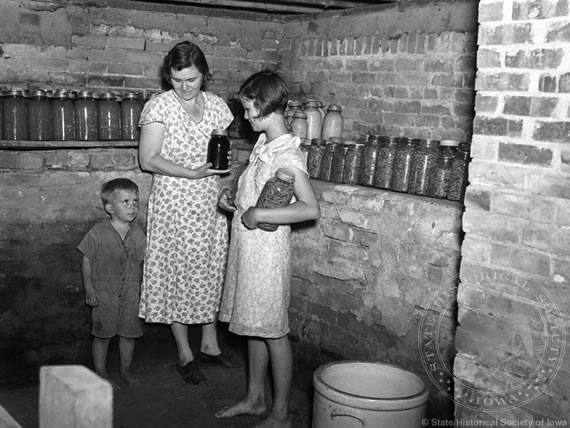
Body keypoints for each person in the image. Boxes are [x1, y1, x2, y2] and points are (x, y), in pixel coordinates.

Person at [216, 70, 320, 428]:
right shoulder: (264, 145)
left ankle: (280, 413)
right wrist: (237, 201)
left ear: (264, 106)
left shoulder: (288, 154)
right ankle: (254, 398)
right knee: (252, 326)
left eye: (248, 110)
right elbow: (256, 194)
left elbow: (309, 208)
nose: (244, 117)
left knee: (273, 331)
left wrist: (260, 212)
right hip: (248, 248)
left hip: (267, 254)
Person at [137, 40, 239, 385]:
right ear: (169, 76)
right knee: (178, 273)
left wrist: (227, 185)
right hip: (175, 204)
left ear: (204, 76)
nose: (184, 86)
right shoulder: (159, 107)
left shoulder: (217, 107)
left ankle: (210, 345)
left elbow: (222, 155)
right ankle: (184, 352)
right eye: (177, 79)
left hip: (208, 204)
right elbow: (148, 159)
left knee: (209, 268)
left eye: (191, 79)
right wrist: (190, 172)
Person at [77, 178, 146, 387]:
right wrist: (89, 287)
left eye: (135, 201)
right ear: (109, 207)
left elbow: (144, 262)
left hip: (131, 293)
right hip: (104, 293)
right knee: (102, 335)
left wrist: (145, 290)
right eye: (125, 201)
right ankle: (101, 372)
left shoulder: (138, 233)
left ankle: (125, 370)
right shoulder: (98, 232)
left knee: (128, 333)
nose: (132, 206)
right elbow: (87, 258)